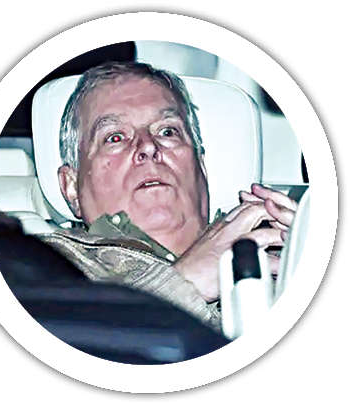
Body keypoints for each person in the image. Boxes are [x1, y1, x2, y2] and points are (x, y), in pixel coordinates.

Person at [38, 61, 297, 332]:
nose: (148, 146)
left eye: (167, 131)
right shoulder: (44, 267)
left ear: (201, 167)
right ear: (71, 186)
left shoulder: (280, 253)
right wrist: (185, 285)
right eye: (115, 137)